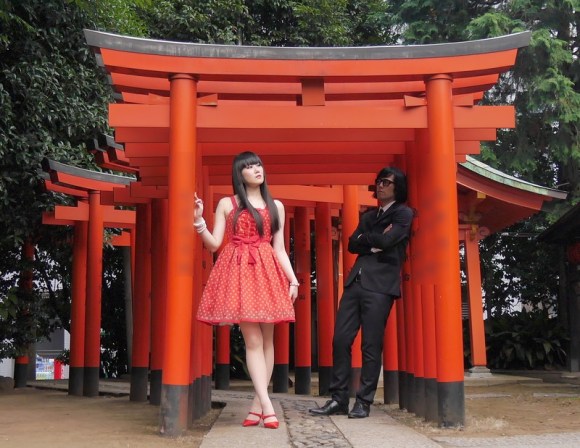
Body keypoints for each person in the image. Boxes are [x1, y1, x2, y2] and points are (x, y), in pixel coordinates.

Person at [195, 151, 298, 430]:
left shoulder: (276, 206)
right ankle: (268, 406)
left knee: (267, 341)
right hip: (238, 271)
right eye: (249, 167)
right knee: (253, 340)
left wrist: (294, 281)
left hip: (267, 271)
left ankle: (256, 406)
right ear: (239, 174)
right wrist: (199, 222)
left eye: (258, 165)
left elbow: (279, 249)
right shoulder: (227, 204)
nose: (256, 169)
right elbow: (214, 244)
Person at [309, 166, 413, 419]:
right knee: (340, 339)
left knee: (370, 345)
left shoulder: (403, 213)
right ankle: (338, 399)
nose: (380, 186)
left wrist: (369, 240)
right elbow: (352, 244)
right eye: (379, 181)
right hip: (355, 282)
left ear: (398, 187)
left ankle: (364, 401)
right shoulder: (369, 216)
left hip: (381, 286)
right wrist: (374, 241)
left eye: (386, 182)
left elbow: (388, 241)